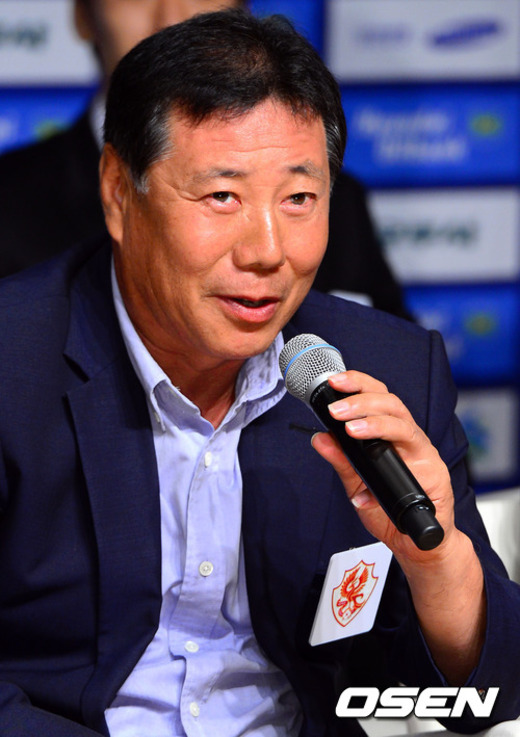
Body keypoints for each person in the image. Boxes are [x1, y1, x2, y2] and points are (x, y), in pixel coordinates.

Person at [0, 9, 518, 737]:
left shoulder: (388, 370)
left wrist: (439, 564)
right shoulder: (15, 360)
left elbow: (489, 693)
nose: (268, 251)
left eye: (299, 199)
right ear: (119, 192)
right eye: (223, 197)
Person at [0, 0, 410, 319]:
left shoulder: (341, 202)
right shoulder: (9, 201)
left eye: (298, 199)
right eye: (220, 195)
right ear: (83, 15)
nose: (172, 18)